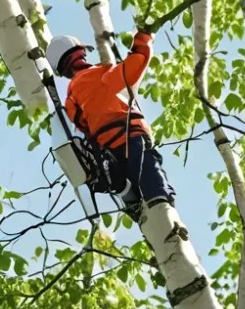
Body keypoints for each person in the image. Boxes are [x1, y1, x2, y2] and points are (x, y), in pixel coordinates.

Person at [46, 30, 175, 221]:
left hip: (107, 147)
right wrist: (143, 40)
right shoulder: (102, 73)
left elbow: (80, 127)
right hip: (132, 134)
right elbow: (133, 67)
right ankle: (160, 205)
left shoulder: (71, 97)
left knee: (125, 179)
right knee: (148, 169)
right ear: (80, 52)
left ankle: (132, 200)